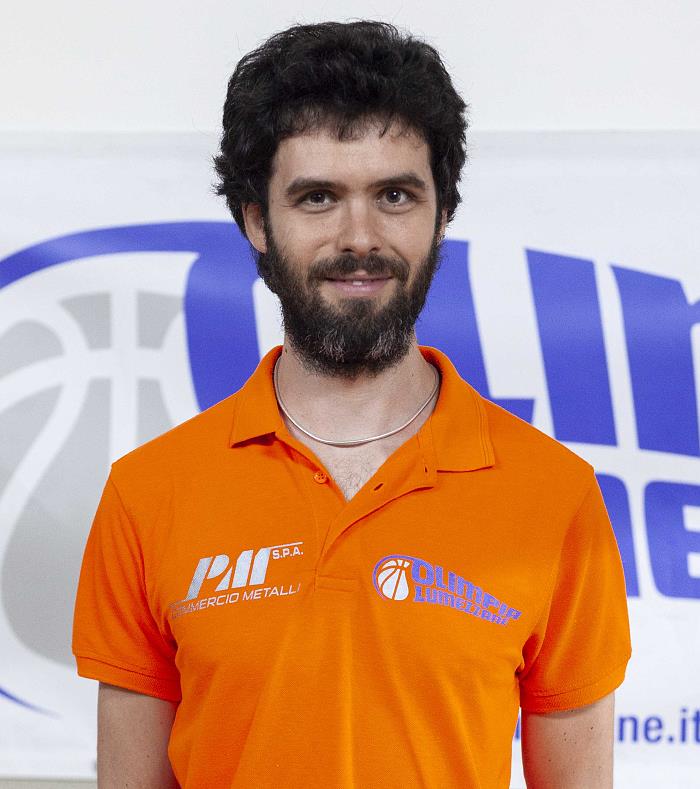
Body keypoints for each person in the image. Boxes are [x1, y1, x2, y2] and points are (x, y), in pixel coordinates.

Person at [73, 20, 631, 788]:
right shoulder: (147, 494)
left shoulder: (557, 496)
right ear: (256, 220)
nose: (359, 237)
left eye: (394, 195)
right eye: (318, 197)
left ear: (442, 214)